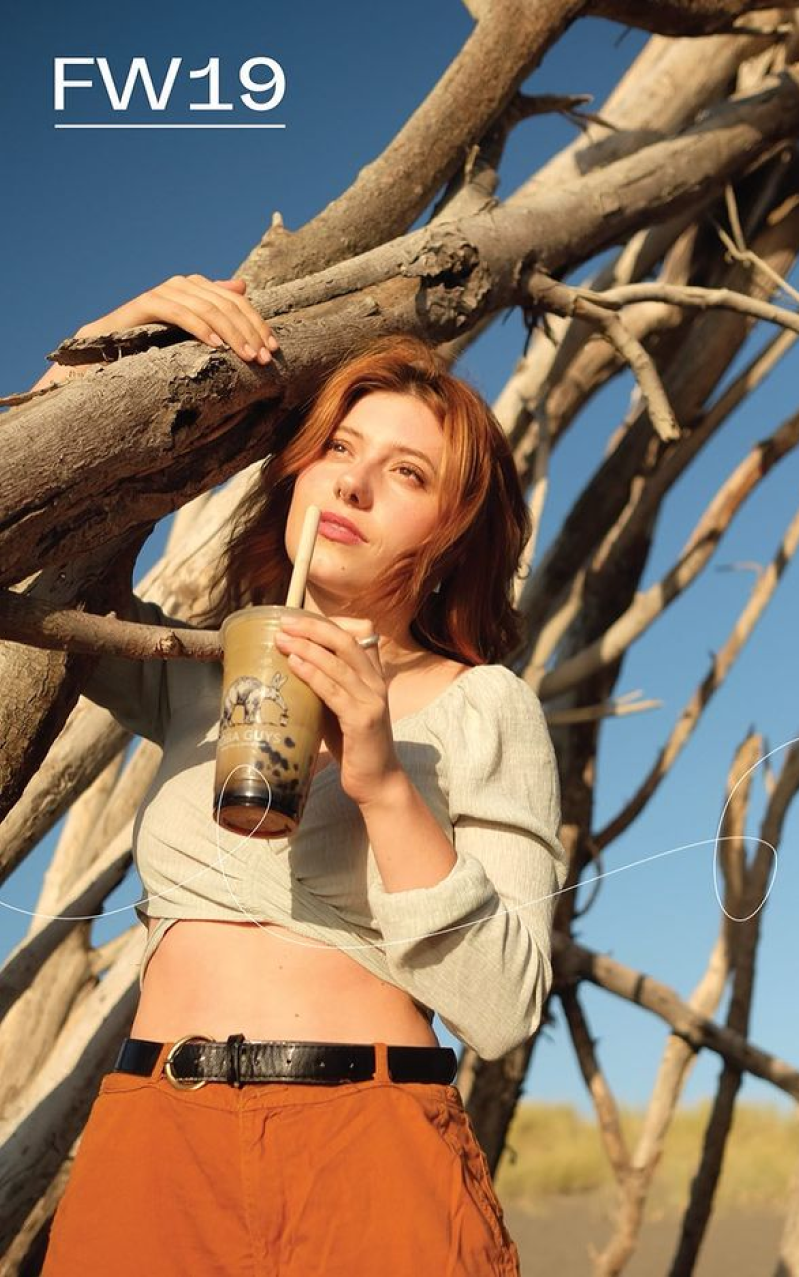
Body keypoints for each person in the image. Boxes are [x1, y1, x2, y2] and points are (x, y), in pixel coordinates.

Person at [34, 274, 568, 1276]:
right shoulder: (197, 672)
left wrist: (383, 780)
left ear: (451, 530)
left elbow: (502, 1008)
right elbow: (32, 552)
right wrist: (106, 347)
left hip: (368, 1138)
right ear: (295, 473)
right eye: (338, 448)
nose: (353, 486)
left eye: (406, 472)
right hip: (156, 1136)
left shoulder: (483, 704)